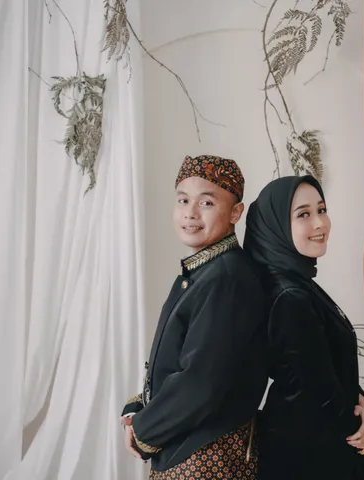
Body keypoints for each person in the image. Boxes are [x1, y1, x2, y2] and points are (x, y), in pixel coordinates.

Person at [120, 155, 268, 479]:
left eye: (207, 203)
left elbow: (201, 380)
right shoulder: (205, 271)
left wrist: (145, 429)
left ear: (235, 213)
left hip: (205, 457)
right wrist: (141, 406)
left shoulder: (226, 277)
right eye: (183, 200)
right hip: (189, 450)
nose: (190, 213)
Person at [243, 175, 364, 480]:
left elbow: (322, 366)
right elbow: (320, 396)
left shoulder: (297, 284)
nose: (320, 223)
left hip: (312, 451)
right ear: (276, 226)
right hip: (305, 458)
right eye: (303, 214)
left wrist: (363, 403)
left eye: (321, 210)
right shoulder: (289, 297)